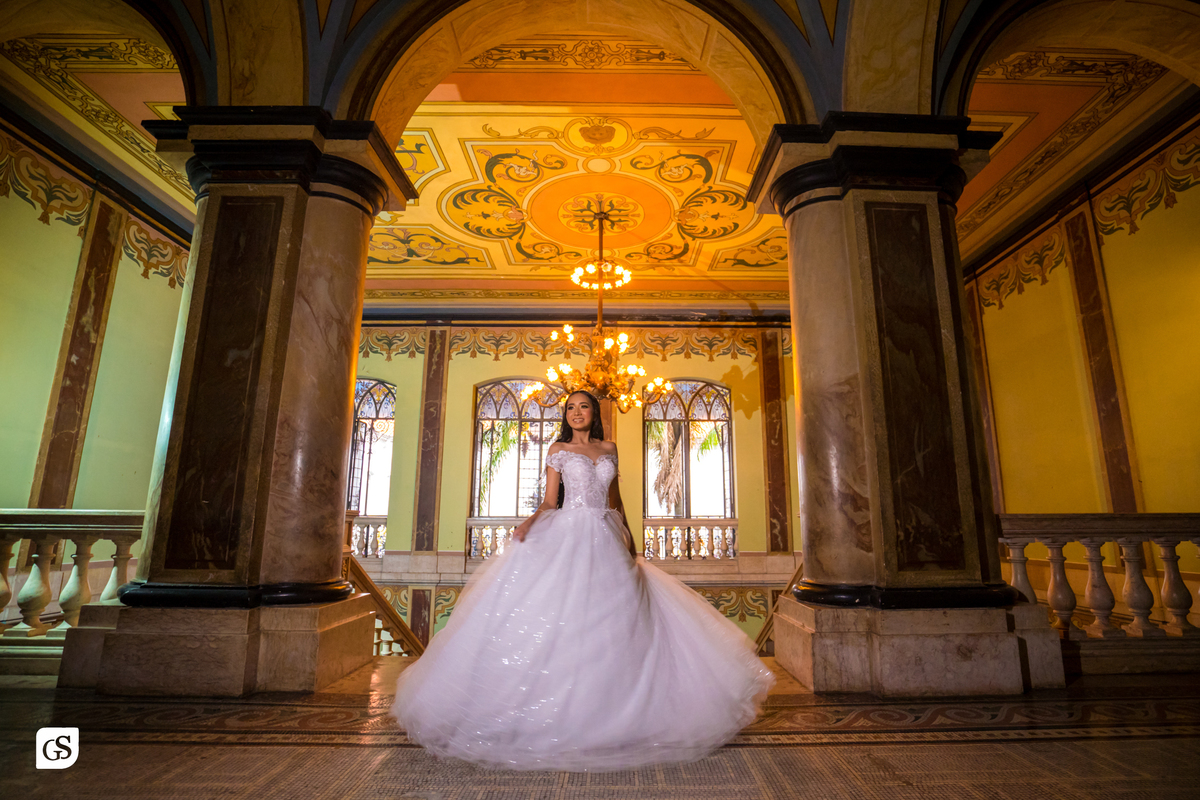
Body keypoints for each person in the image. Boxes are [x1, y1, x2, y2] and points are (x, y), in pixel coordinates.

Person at [391, 389, 774, 771]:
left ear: (594, 412)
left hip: (608, 535)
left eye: (583, 406)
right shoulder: (557, 449)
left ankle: (623, 709)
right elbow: (550, 500)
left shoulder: (610, 448)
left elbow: (616, 500)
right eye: (571, 408)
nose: (577, 413)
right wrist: (527, 523)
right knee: (566, 615)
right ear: (566, 415)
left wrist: (633, 544)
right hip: (571, 533)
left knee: (621, 619)